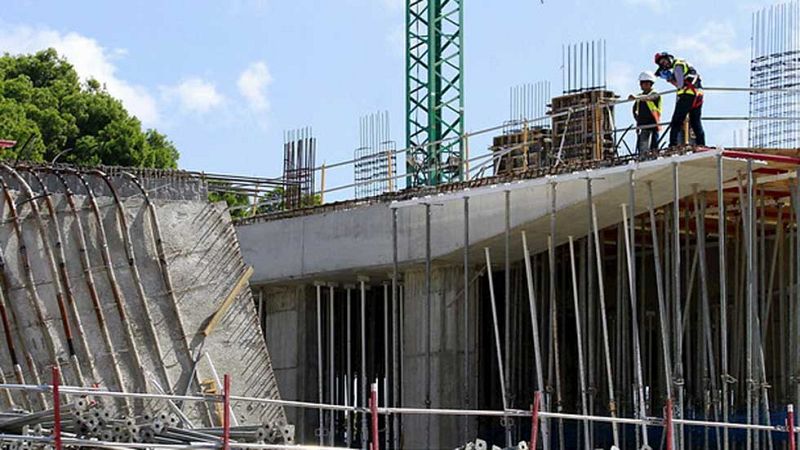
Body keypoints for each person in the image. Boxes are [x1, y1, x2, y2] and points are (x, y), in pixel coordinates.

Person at [654, 52, 706, 147]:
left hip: (688, 95)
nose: (664, 65)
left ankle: (673, 145)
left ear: (669, 58)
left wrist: (670, 79)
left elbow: (680, 84)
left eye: (664, 62)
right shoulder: (683, 63)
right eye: (662, 64)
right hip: (698, 95)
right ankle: (701, 144)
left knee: (676, 121)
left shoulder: (677, 66)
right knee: (695, 122)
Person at [628, 71, 662, 154]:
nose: (641, 85)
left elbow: (649, 98)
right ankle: (643, 157)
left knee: (654, 146)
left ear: (649, 84)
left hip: (653, 124)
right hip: (643, 125)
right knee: (643, 146)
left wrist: (636, 97)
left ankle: (654, 155)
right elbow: (634, 110)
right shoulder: (639, 96)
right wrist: (638, 120)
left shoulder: (655, 94)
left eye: (642, 83)